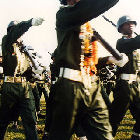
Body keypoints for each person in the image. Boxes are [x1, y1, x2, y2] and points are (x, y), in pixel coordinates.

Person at [47, 0, 127, 140]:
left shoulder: (85, 25)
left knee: (104, 135)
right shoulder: (65, 15)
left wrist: (109, 59)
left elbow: (88, 61)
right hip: (70, 86)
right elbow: (93, 5)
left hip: (92, 85)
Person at [0, 17, 44, 140]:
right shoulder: (7, 40)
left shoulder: (23, 50)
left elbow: (25, 70)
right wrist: (29, 23)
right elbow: (16, 31)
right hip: (10, 86)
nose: (20, 34)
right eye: (17, 31)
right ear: (11, 31)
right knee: (3, 120)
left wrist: (34, 72)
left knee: (30, 120)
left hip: (24, 87)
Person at [109, 15, 140, 140]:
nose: (131, 24)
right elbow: (134, 42)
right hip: (124, 86)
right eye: (127, 23)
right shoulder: (121, 43)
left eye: (132, 22)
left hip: (136, 86)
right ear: (121, 28)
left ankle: (136, 137)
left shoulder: (135, 46)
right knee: (115, 118)